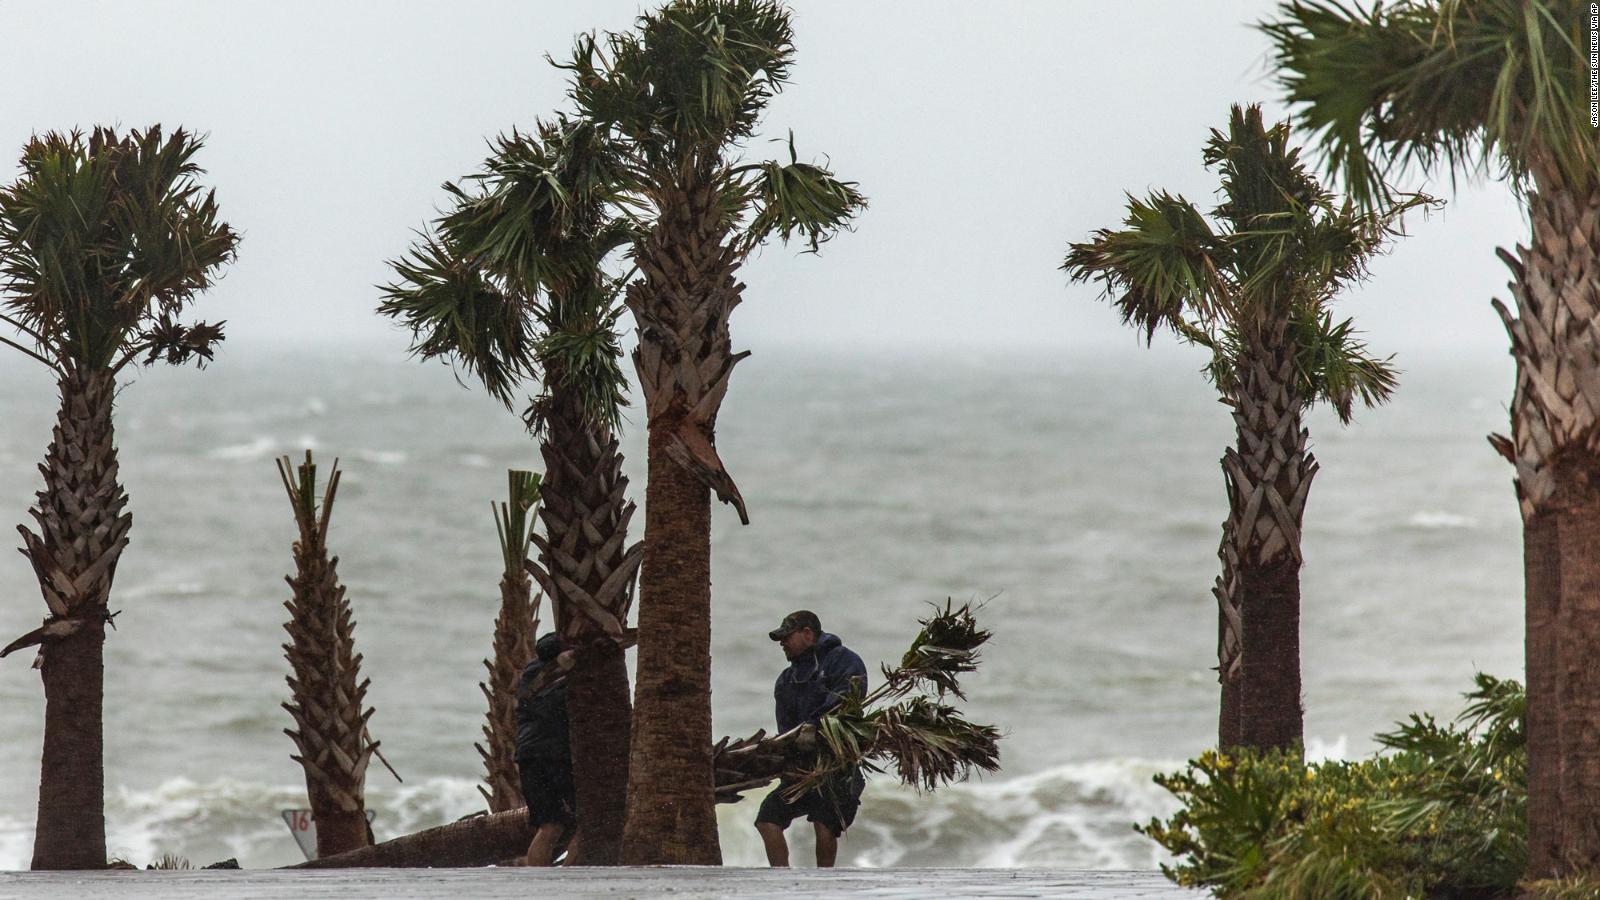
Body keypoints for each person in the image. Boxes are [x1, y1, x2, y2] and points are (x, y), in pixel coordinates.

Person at [755, 610, 868, 868]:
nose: (782, 643)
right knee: (767, 819)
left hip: (837, 762)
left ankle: (823, 882)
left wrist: (814, 726)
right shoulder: (786, 679)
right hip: (802, 767)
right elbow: (785, 727)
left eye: (786, 637)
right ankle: (781, 879)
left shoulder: (843, 660)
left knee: (824, 823)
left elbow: (847, 699)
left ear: (808, 633)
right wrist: (782, 753)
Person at [515, 632, 576, 866]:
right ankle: (572, 876)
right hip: (555, 757)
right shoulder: (562, 680)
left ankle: (538, 885)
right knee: (590, 821)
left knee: (550, 825)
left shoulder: (531, 676)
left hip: (528, 756)